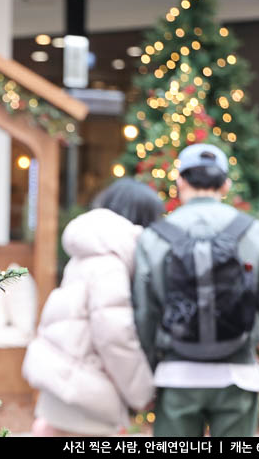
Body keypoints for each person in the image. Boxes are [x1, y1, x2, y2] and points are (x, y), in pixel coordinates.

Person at [132, 144, 259, 437]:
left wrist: (148, 369)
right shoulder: (256, 231)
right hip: (238, 375)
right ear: (225, 183)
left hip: (176, 375)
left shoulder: (154, 237)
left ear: (180, 182)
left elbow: (145, 314)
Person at [22, 178, 163, 436]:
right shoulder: (109, 263)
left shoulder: (89, 253)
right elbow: (114, 335)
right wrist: (143, 391)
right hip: (86, 395)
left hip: (66, 383)